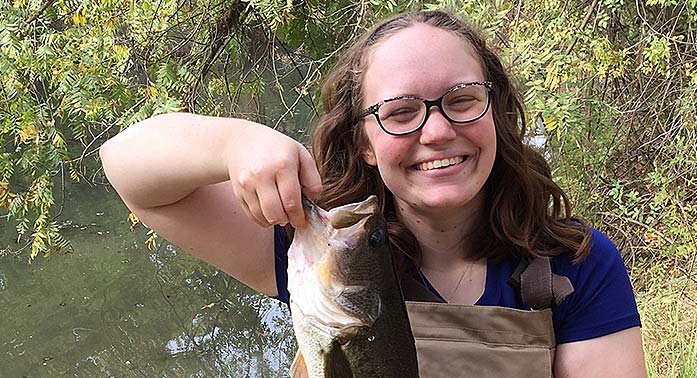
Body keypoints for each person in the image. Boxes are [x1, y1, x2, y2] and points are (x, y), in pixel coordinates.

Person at [100, 10, 645, 377]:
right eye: (401, 112)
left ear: (496, 113)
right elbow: (131, 173)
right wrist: (231, 141)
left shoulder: (577, 268)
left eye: (461, 99)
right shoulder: (328, 248)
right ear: (363, 141)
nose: (435, 131)